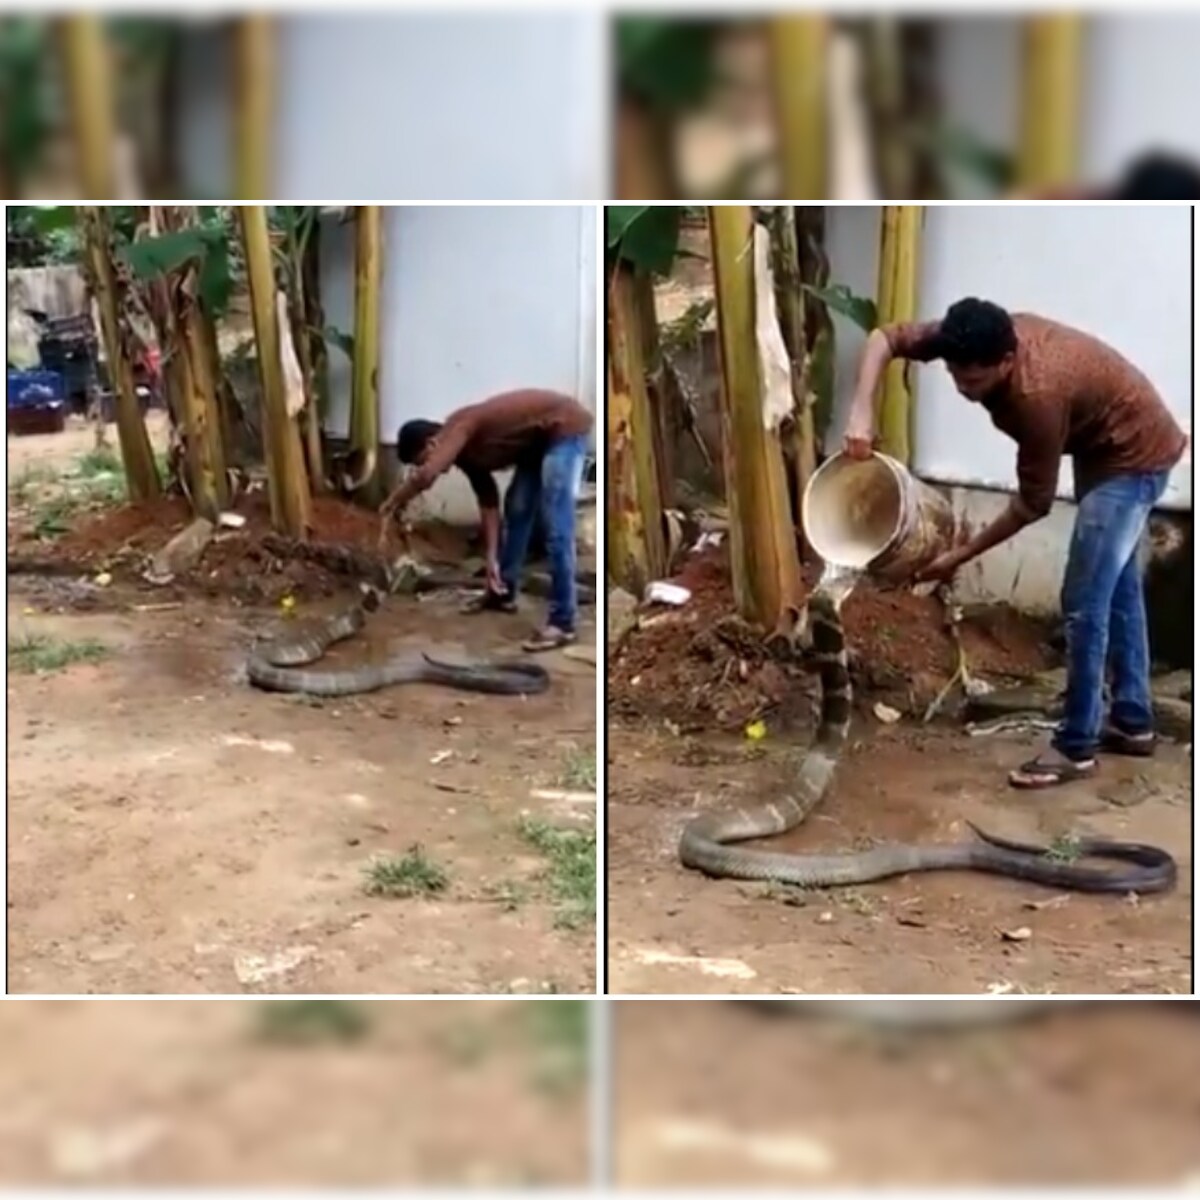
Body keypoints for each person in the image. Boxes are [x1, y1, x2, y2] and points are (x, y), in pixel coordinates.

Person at [843, 298, 1187, 789]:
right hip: (1100, 444)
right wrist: (861, 410)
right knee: (1118, 587)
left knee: (1084, 599)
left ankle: (1076, 745)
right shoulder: (964, 335)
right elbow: (884, 339)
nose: (966, 391)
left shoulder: (1036, 397)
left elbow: (1032, 505)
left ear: (1006, 363)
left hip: (1133, 457)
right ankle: (1132, 721)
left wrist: (957, 556)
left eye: (977, 382)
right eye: (957, 378)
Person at [379, 388, 592, 652]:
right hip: (535, 447)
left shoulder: (460, 427)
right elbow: (489, 504)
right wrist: (491, 559)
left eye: (421, 460)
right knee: (517, 507)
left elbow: (425, 477)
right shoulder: (467, 456)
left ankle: (563, 622)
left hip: (564, 429)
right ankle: (502, 592)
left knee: (556, 522)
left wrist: (393, 502)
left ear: (432, 443)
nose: (427, 467)